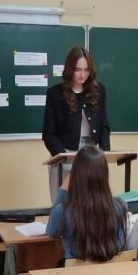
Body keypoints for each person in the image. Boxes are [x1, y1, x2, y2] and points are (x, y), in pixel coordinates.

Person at [43, 46, 110, 202]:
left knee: (90, 205)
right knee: (62, 206)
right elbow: (48, 133)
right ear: (69, 69)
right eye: (78, 70)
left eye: (86, 70)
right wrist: (64, 157)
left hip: (91, 157)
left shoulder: (99, 90)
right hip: (64, 157)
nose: (82, 75)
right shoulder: (55, 94)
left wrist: (104, 156)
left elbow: (104, 126)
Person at [46, 145, 127, 262]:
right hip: (111, 272)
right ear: (104, 175)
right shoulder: (120, 207)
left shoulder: (61, 211)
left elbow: (51, 231)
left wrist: (63, 190)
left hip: (75, 272)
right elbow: (120, 245)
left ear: (75, 176)